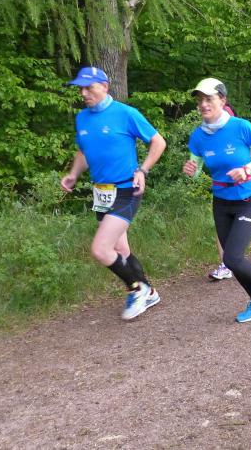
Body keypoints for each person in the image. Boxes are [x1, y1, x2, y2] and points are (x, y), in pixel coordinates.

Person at [60, 66, 166, 320]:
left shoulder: (126, 113)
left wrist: (143, 170)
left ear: (105, 87)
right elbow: (83, 151)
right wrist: (74, 173)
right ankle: (150, 292)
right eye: (80, 89)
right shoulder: (82, 118)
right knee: (121, 249)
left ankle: (137, 289)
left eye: (89, 88)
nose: (84, 93)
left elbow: (158, 141)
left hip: (126, 189)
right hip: (102, 192)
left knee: (100, 249)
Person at [183, 78, 251, 323]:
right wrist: (191, 171)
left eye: (209, 99)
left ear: (222, 100)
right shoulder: (198, 136)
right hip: (221, 202)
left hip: (248, 198)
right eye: (200, 100)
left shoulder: (241, 127)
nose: (203, 105)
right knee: (231, 261)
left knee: (232, 257)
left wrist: (247, 169)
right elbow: (196, 170)